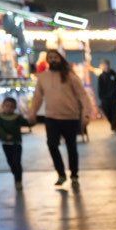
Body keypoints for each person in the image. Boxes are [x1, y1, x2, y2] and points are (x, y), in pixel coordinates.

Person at [27, 48, 95, 187]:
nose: (53, 60)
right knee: (52, 145)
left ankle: (74, 175)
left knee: (71, 147)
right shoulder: (43, 77)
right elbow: (37, 97)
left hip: (70, 118)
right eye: (50, 57)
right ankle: (61, 174)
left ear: (60, 59)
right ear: (47, 60)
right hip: (51, 117)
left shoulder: (70, 76)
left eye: (55, 57)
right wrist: (32, 112)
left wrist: (86, 114)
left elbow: (83, 95)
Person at [0, 97, 25, 189]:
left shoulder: (17, 117)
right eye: (7, 106)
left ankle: (18, 181)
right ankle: (15, 173)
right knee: (10, 162)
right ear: (3, 106)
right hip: (6, 144)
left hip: (17, 143)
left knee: (17, 162)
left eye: (11, 106)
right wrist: (5, 135)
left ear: (15, 108)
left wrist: (32, 119)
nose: (9, 108)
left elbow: (26, 123)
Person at [96, 63, 116, 135]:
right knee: (106, 111)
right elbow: (99, 87)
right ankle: (112, 124)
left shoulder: (114, 75)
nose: (105, 67)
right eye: (104, 66)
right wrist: (101, 96)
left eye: (106, 65)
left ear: (109, 66)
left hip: (113, 98)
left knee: (114, 113)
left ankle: (114, 128)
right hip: (105, 98)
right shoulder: (101, 76)